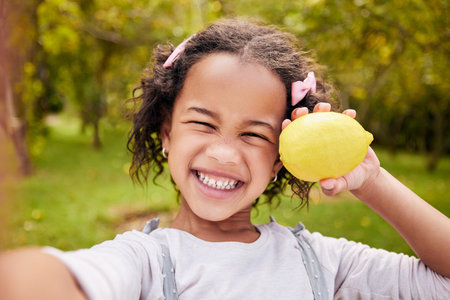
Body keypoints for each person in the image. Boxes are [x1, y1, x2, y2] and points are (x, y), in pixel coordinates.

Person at [0, 18, 449, 300]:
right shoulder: (143, 262)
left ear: (279, 159)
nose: (223, 151)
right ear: (167, 134)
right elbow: (39, 279)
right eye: (203, 123)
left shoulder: (321, 261)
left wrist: (370, 179)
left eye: (254, 134)